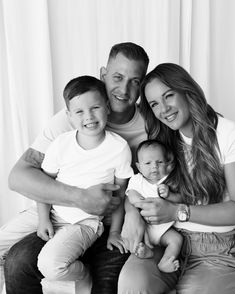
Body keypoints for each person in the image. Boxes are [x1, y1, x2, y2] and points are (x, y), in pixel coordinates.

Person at [4, 42, 149, 294]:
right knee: (17, 261)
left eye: (135, 81)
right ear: (103, 75)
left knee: (108, 280)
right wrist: (80, 198)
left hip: (106, 223)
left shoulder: (147, 127)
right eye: (117, 77)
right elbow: (19, 177)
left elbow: (145, 182)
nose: (124, 89)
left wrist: (132, 216)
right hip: (60, 215)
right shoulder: (70, 118)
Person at [119, 62, 235, 294]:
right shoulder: (163, 138)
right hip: (165, 238)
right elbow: (140, 186)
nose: (163, 109)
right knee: (132, 284)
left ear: (187, 91)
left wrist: (177, 211)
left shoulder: (226, 134)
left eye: (168, 96)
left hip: (215, 247)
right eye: (154, 104)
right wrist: (132, 214)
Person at [126, 139, 182, 273]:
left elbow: (180, 198)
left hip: (164, 229)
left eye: (159, 162)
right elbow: (130, 194)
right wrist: (139, 202)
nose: (154, 167)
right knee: (135, 241)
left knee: (176, 239)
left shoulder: (168, 180)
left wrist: (169, 195)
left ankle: (165, 261)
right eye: (148, 163)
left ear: (167, 164)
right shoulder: (137, 180)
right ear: (139, 167)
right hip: (144, 226)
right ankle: (146, 252)